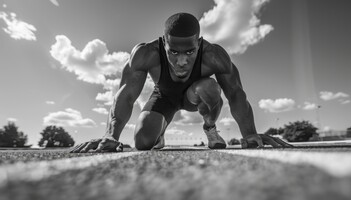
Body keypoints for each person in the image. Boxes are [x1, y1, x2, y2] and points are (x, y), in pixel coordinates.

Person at [70, 13, 292, 153]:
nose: (182, 61)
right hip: (164, 96)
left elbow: (235, 93)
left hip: (196, 95)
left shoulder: (215, 56)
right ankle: (160, 132)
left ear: (199, 42)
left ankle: (211, 130)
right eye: (173, 52)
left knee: (211, 87)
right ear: (163, 42)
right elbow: (126, 94)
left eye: (190, 51)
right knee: (143, 142)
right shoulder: (145, 54)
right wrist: (110, 136)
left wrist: (250, 134)